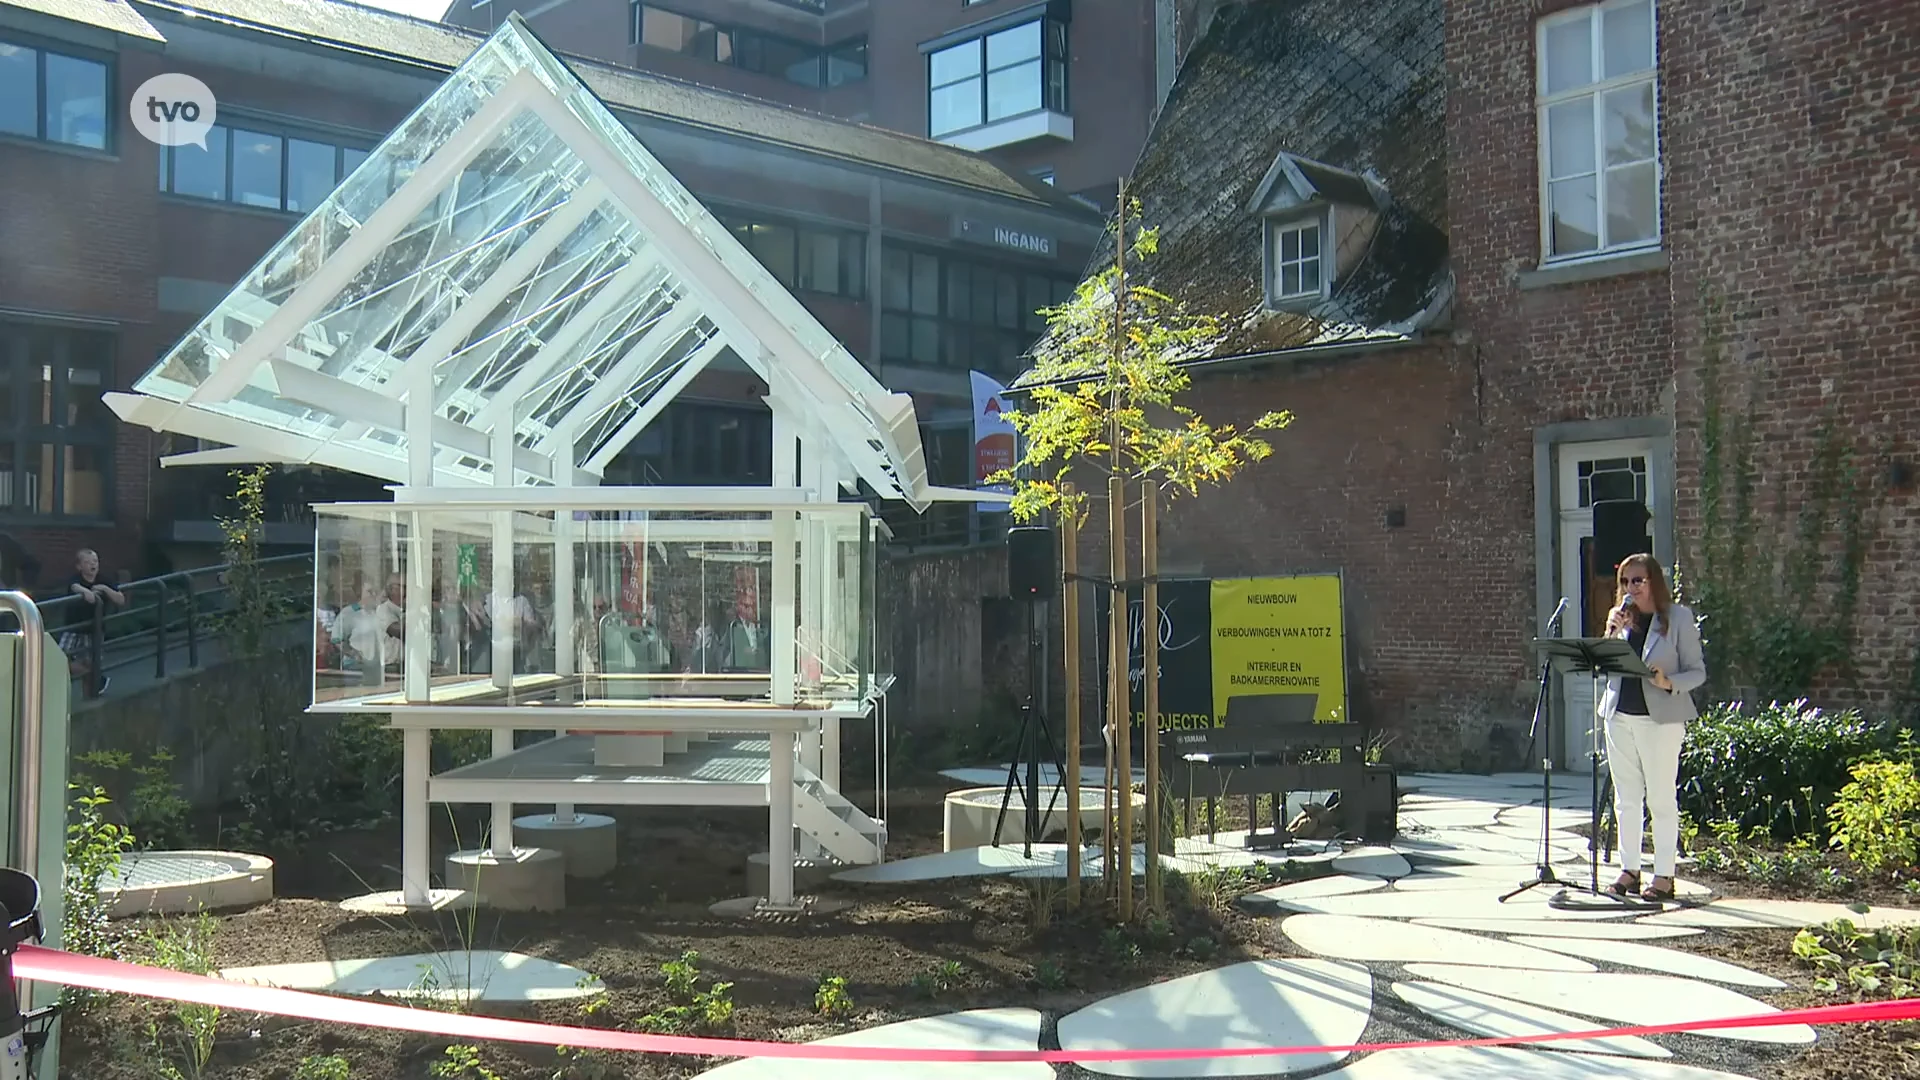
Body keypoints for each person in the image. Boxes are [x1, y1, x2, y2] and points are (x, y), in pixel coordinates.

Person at [1599, 552, 1706, 903]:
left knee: (1660, 798)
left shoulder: (1677, 618)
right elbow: (1606, 665)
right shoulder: (1621, 621)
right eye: (1625, 582)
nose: (1631, 588)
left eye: (1638, 581)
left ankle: (1664, 875)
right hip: (1619, 715)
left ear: (1654, 582)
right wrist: (1609, 633)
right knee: (1626, 799)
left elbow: (1698, 672)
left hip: (1659, 720)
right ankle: (1630, 869)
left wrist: (1668, 681)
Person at [62, 548, 127, 696]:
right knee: (61, 658)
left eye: (95, 561)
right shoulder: (75, 579)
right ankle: (96, 677)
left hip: (94, 629)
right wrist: (86, 592)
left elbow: (121, 599)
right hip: (74, 628)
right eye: (87, 562)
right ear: (79, 566)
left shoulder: (103, 579)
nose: (93, 565)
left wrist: (104, 589)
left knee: (90, 661)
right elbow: (75, 587)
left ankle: (90, 694)